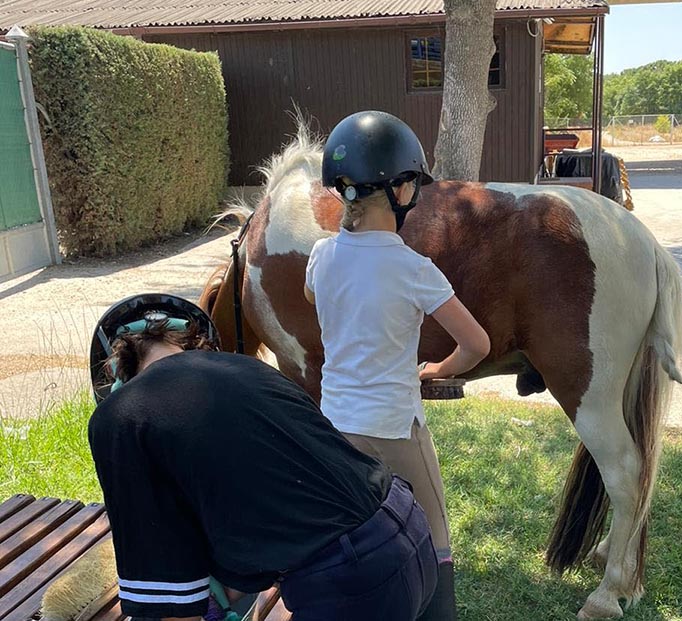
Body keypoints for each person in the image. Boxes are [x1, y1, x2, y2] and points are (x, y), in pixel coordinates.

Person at [87, 293, 438, 621]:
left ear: (119, 373)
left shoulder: (123, 417)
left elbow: (171, 610)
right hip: (409, 529)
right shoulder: (250, 373)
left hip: (349, 579)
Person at [306, 110, 491, 620]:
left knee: (355, 527)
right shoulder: (414, 269)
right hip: (394, 425)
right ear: (401, 189)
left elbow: (313, 291)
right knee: (434, 534)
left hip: (335, 423)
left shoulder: (321, 256)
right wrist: (434, 370)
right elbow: (476, 344)